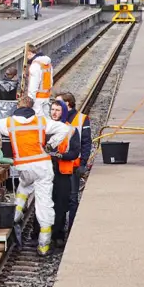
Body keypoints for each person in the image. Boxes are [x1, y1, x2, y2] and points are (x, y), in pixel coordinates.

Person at [0, 94, 74, 255]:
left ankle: (15, 216)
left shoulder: (8, 123)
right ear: (31, 107)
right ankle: (44, 246)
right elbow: (65, 129)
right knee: (44, 204)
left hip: (24, 167)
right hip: (42, 166)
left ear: (18, 106)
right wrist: (51, 144)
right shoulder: (41, 121)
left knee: (24, 186)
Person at [48, 90, 92, 246]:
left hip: (72, 166)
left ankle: (70, 230)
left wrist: (83, 163)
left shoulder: (80, 120)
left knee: (71, 200)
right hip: (58, 168)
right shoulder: (56, 121)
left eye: (59, 104)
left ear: (68, 105)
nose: (56, 109)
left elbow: (86, 143)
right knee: (57, 200)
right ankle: (56, 231)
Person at [23, 44, 54, 117]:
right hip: (46, 96)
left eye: (25, 56)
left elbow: (33, 85)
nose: (26, 59)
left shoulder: (35, 65)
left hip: (37, 99)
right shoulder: (47, 64)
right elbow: (51, 81)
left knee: (39, 121)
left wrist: (30, 100)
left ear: (29, 53)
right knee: (46, 119)